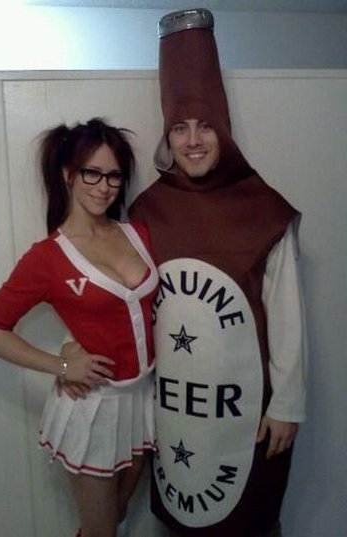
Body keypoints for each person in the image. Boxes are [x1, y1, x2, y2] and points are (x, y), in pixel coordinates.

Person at [128, 9, 307, 537]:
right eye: (179, 128)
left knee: (250, 521)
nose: (193, 140)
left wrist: (288, 405)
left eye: (205, 125)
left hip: (247, 413)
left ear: (222, 129)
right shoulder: (146, 210)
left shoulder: (263, 209)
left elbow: (287, 318)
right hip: (174, 411)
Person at [0, 118, 159, 537]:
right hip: (93, 406)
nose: (104, 187)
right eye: (92, 173)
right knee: (100, 530)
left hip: (143, 397)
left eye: (114, 175)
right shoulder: (46, 258)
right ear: (67, 174)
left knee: (119, 513)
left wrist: (70, 341)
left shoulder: (139, 233)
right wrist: (61, 364)